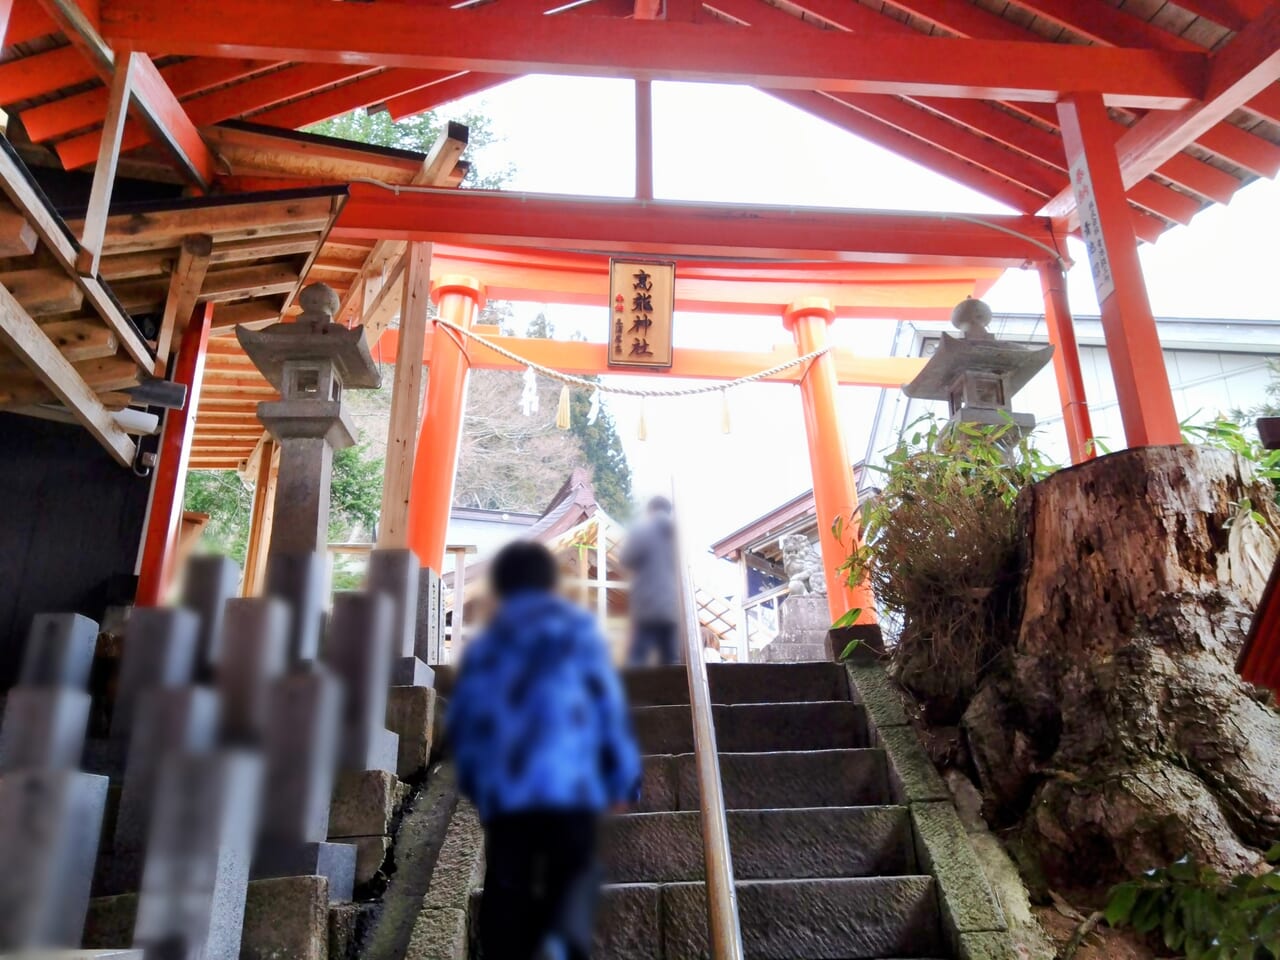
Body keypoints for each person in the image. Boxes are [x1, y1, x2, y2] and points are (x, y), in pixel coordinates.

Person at [446, 540, 642, 960]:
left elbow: (466, 719)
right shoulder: (581, 635)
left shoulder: (487, 644)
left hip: (507, 790)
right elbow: (608, 710)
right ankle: (559, 943)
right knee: (571, 876)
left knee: (506, 883)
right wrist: (623, 777)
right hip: (572, 787)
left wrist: (475, 781)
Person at [621, 495, 680, 666]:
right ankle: (674, 692)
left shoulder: (642, 531)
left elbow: (626, 559)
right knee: (670, 659)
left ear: (651, 510)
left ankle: (634, 693)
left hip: (648, 602)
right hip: (671, 605)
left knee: (638, 658)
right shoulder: (677, 537)